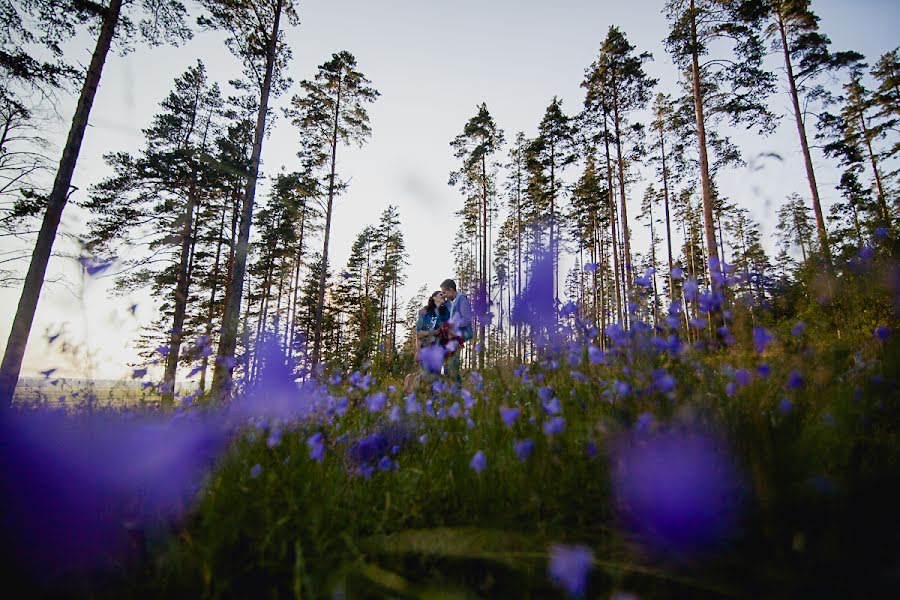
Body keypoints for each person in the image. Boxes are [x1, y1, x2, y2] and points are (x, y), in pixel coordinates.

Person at [408, 290, 449, 391]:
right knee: (426, 374)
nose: (443, 296)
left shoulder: (445, 312)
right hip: (425, 348)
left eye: (444, 295)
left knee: (436, 374)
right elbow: (419, 334)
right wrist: (418, 351)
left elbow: (446, 329)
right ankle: (413, 389)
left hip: (439, 348)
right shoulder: (424, 312)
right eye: (441, 294)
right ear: (434, 297)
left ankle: (433, 400)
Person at [440, 279, 473, 385]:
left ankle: (457, 393)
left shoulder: (462, 299)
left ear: (451, 290)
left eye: (444, 292)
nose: (444, 295)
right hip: (452, 337)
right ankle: (450, 392)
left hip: (459, 336)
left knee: (452, 366)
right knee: (447, 366)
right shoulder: (451, 303)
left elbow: (467, 319)